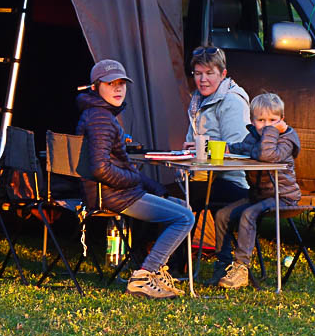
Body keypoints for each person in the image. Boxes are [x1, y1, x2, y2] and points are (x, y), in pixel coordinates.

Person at [77, 59, 195, 299]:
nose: (118, 89)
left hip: (118, 191)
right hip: (112, 195)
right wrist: (133, 179)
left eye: (122, 84)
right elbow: (100, 169)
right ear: (95, 87)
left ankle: (158, 272)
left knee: (181, 206)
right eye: (111, 84)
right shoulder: (100, 118)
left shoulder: (100, 114)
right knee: (185, 217)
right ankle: (144, 276)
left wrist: (153, 186)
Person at [213, 92, 302, 290]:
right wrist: (223, 148)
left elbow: (267, 155)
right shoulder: (252, 137)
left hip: (282, 197)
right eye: (261, 120)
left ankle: (242, 266)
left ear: (282, 121)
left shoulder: (287, 139)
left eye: (272, 120)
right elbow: (240, 148)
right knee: (222, 215)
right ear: (253, 122)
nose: (266, 125)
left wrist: (271, 131)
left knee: (248, 214)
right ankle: (224, 263)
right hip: (258, 196)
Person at [182, 45, 251, 279]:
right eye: (198, 74)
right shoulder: (197, 101)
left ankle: (171, 264)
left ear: (223, 74)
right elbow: (191, 142)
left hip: (234, 182)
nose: (202, 80)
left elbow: (239, 151)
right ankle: (170, 263)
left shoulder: (232, 101)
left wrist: (205, 149)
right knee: (170, 195)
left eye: (209, 73)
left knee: (185, 199)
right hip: (205, 177)